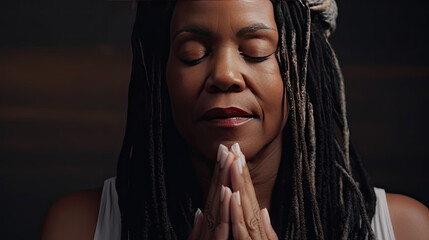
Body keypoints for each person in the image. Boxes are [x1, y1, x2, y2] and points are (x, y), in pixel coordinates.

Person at [40, 0, 429, 239]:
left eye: (256, 51)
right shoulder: (79, 227)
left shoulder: (406, 229)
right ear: (160, 75)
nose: (225, 74)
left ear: (304, 70)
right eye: (193, 52)